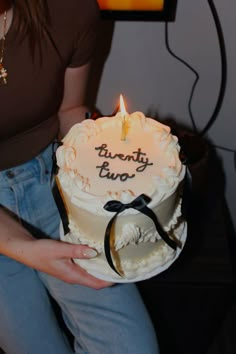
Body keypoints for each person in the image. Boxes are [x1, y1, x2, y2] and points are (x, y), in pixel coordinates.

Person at [0, 1, 159, 353]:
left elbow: (70, 110)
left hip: (53, 183)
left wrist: (106, 163)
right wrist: (20, 246)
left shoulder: (69, 8)